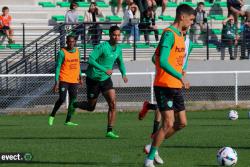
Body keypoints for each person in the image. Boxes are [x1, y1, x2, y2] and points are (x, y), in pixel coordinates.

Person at [143, 4, 195, 167]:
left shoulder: (180, 36)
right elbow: (162, 60)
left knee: (182, 123)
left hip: (175, 86)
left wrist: (179, 72)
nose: (192, 23)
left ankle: (152, 146)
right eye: (191, 19)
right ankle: (149, 160)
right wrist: (178, 75)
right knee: (168, 123)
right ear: (182, 17)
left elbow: (155, 58)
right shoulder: (169, 34)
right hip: (164, 85)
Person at [73, 26, 128, 139]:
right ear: (110, 35)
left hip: (106, 80)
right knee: (90, 107)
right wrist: (104, 69)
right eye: (114, 35)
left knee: (113, 103)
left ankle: (109, 131)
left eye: (118, 35)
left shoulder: (118, 49)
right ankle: (74, 104)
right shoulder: (102, 47)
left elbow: (120, 62)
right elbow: (91, 59)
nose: (117, 37)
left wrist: (124, 74)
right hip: (93, 79)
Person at [48, 35, 82, 126]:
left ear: (75, 42)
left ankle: (68, 120)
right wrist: (56, 82)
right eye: (69, 41)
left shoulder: (78, 52)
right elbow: (58, 67)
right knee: (62, 99)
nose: (71, 43)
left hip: (74, 80)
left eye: (73, 41)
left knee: (73, 101)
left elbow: (78, 65)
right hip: (64, 79)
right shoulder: (62, 53)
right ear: (66, 42)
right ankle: (52, 115)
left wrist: (80, 76)